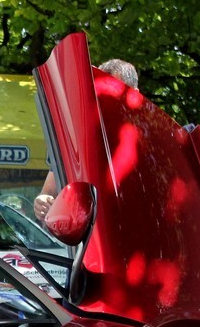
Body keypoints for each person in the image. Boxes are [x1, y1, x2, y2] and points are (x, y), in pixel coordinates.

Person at [33, 58, 139, 222]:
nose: (107, 99)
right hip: (92, 236)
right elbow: (48, 191)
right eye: (102, 92)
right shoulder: (75, 139)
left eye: (115, 91)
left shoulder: (153, 139)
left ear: (135, 93)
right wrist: (42, 200)